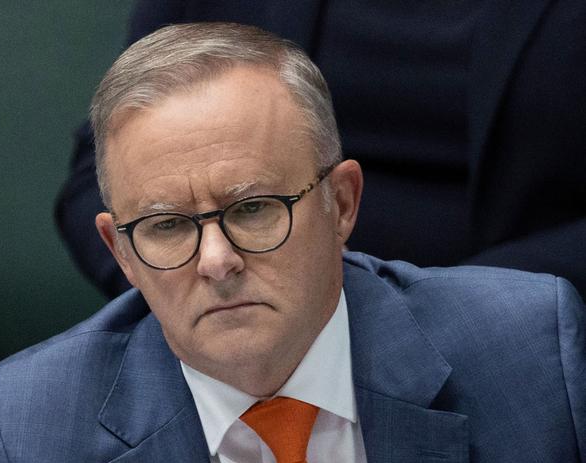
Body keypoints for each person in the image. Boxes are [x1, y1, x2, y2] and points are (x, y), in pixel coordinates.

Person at [0, 23, 585, 463]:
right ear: (120, 252)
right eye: (168, 226)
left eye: (252, 209)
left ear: (341, 204)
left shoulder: (533, 356)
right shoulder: (25, 437)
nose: (216, 261)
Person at [56, 0, 586, 300]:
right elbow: (102, 177)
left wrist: (456, 309)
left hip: (529, 335)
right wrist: (195, 291)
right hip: (240, 333)